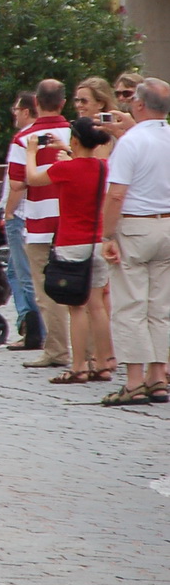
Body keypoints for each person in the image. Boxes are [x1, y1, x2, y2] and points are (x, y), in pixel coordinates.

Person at [97, 78, 170, 406]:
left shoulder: (130, 142)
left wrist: (108, 235)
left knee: (130, 306)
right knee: (161, 307)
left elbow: (116, 194)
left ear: (138, 104)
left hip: (135, 226)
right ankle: (159, 377)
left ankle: (134, 381)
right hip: (166, 224)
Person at [26, 117, 114, 387]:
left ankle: (78, 367)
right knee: (97, 305)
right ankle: (104, 362)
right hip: (97, 239)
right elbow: (88, 157)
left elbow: (32, 178)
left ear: (75, 141)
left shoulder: (66, 168)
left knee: (76, 307)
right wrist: (68, 148)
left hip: (71, 241)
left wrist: (32, 151)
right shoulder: (103, 167)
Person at [11, 79, 74, 371]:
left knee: (46, 289)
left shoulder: (24, 138)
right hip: (74, 218)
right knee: (82, 288)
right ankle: (89, 351)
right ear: (63, 102)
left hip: (39, 220)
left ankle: (57, 349)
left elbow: (16, 182)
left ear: (36, 103)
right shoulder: (75, 133)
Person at [2, 91, 44, 351]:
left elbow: (18, 183)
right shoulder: (51, 135)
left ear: (27, 111)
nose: (14, 114)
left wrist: (7, 211)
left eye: (17, 109)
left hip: (21, 214)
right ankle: (31, 324)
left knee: (23, 273)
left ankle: (33, 328)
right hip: (39, 213)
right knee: (14, 271)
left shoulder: (23, 139)